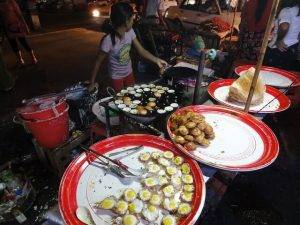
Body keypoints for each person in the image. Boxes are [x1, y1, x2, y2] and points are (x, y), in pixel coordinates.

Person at [89, 2, 167, 92]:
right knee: (120, 101)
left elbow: (141, 50)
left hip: (129, 73)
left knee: (131, 96)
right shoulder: (108, 40)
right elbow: (97, 62)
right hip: (116, 78)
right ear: (126, 21)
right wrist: (92, 83)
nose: (133, 21)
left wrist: (156, 60)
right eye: (132, 19)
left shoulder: (130, 32)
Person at [264, 0, 300, 71]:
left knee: (271, 74)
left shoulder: (286, 10)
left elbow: (284, 27)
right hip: (292, 47)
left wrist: (279, 40)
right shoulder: (297, 10)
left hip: (279, 49)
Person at [0, 0, 37, 66]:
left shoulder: (11, 2)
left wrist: (25, 25)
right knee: (13, 44)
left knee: (23, 42)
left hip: (17, 26)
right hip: (7, 28)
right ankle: (20, 60)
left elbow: (19, 14)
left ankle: (33, 58)